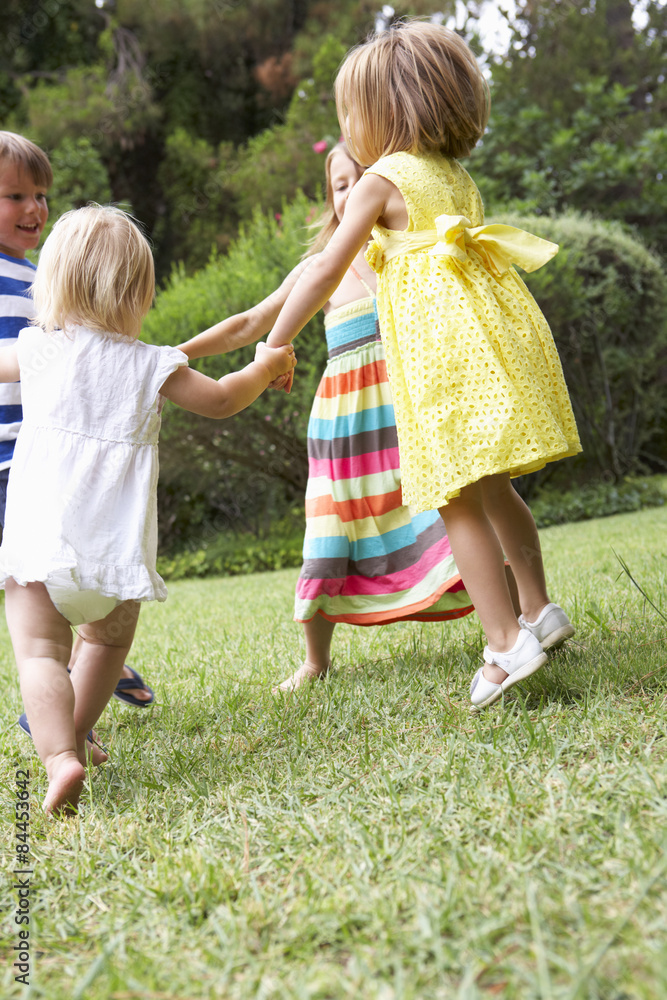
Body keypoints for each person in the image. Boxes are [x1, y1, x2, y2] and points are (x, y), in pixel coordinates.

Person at [265, 21, 581, 710]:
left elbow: (325, 268)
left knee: (454, 496)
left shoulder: (382, 179)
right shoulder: (450, 175)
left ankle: (504, 642)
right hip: (485, 341)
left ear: (385, 111)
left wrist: (275, 341)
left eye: (352, 113)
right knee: (494, 488)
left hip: (439, 360)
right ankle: (539, 608)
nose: (349, 127)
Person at [180, 142, 509, 693]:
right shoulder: (321, 268)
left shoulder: (404, 255)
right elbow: (251, 323)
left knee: (457, 514)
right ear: (332, 201)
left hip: (409, 415)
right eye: (340, 184)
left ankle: (515, 622)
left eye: (364, 177)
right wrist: (178, 354)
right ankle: (315, 660)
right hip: (344, 424)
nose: (354, 189)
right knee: (329, 533)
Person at [0, 205, 295, 814]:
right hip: (113, 560)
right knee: (105, 646)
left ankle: (59, 756)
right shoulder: (152, 365)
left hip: (37, 549)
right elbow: (219, 400)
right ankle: (80, 730)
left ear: (51, 286)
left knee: (39, 655)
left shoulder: (37, 351)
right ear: (140, 292)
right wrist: (263, 368)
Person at [0, 131, 154, 754]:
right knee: (30, 587)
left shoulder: (44, 277)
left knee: (52, 573)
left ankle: (74, 684)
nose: (35, 209)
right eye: (15, 195)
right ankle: (83, 675)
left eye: (41, 196)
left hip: (41, 459)